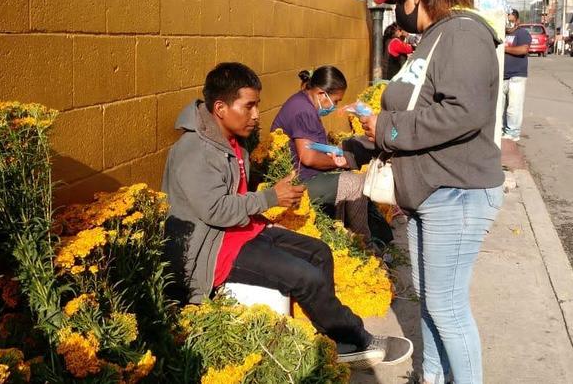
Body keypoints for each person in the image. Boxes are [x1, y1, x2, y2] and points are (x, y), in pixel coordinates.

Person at [161, 62, 412, 368]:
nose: (256, 115)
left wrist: (270, 200)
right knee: (304, 276)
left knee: (319, 252)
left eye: (258, 106)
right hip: (212, 250)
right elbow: (216, 210)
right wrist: (270, 197)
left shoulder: (230, 138)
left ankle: (333, 334)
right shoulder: (194, 150)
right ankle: (354, 339)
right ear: (220, 108)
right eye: (249, 106)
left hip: (241, 231)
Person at [363, 0, 504, 384]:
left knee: (448, 308)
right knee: (433, 303)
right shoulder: (436, 36)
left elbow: (463, 112)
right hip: (433, 191)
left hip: (456, 192)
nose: (396, 10)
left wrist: (388, 129)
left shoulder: (462, 33)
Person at [271, 66, 393, 244]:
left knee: (352, 180)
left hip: (306, 176)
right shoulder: (303, 110)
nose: (335, 107)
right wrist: (340, 163)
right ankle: (363, 244)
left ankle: (350, 236)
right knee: (356, 183)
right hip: (299, 182)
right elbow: (309, 157)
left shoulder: (303, 103)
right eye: (335, 101)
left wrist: (335, 155)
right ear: (321, 94)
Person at [502, 9, 531, 142]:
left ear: (517, 21)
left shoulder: (522, 33)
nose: (509, 23)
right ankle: (502, 129)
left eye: (511, 20)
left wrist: (504, 49)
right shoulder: (500, 33)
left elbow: (523, 49)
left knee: (514, 106)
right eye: (507, 20)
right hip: (502, 75)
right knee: (500, 106)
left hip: (517, 76)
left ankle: (513, 132)